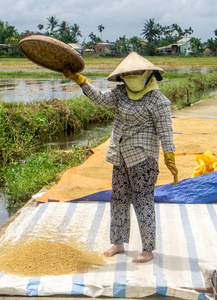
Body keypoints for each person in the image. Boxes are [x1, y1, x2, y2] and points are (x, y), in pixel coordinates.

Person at [64, 52, 178, 263]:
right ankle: (118, 242)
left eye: (137, 72)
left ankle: (148, 249)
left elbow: (165, 131)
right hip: (120, 157)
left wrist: (170, 157)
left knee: (143, 201)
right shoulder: (120, 93)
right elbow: (100, 99)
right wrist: (80, 80)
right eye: (129, 73)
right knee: (118, 198)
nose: (133, 76)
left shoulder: (158, 101)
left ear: (147, 74)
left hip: (143, 159)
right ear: (122, 76)